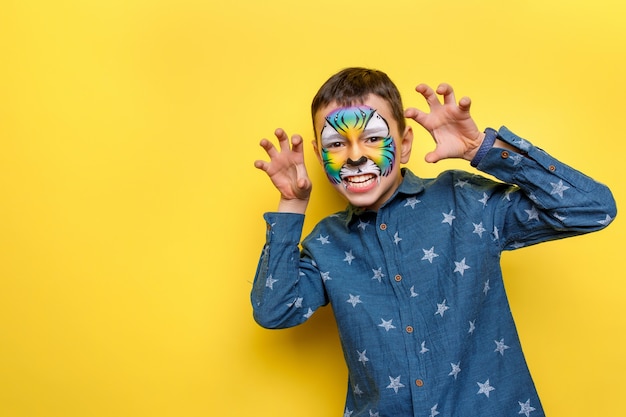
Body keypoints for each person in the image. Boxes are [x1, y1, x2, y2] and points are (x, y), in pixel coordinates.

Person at [251, 67, 616, 417]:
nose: (356, 155)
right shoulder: (327, 243)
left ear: (405, 143)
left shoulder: (467, 201)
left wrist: (480, 149)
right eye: (336, 143)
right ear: (320, 155)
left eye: (374, 138)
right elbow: (275, 310)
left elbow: (592, 208)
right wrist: (292, 203)